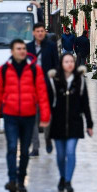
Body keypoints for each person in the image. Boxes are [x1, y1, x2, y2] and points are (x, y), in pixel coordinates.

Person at [0, 38, 50, 192]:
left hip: (29, 115)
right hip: (10, 115)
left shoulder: (34, 70)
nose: (22, 51)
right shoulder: (4, 70)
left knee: (24, 150)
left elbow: (42, 93)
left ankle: (21, 180)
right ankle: (11, 180)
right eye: (18, 48)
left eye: (23, 48)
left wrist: (45, 115)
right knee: (11, 148)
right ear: (12, 51)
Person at [47, 52, 93, 192]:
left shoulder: (80, 80)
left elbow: (85, 103)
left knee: (70, 151)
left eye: (71, 61)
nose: (69, 64)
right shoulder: (54, 80)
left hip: (75, 122)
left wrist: (90, 124)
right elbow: (48, 102)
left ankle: (68, 181)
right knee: (61, 155)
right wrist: (44, 119)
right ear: (61, 64)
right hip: (58, 122)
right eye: (66, 61)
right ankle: (62, 177)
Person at [27, 23, 60, 156]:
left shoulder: (51, 47)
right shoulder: (28, 47)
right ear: (33, 33)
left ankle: (48, 139)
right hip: (32, 87)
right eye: (37, 31)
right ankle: (35, 147)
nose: (40, 33)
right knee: (33, 118)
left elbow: (56, 65)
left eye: (42, 31)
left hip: (46, 87)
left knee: (47, 117)